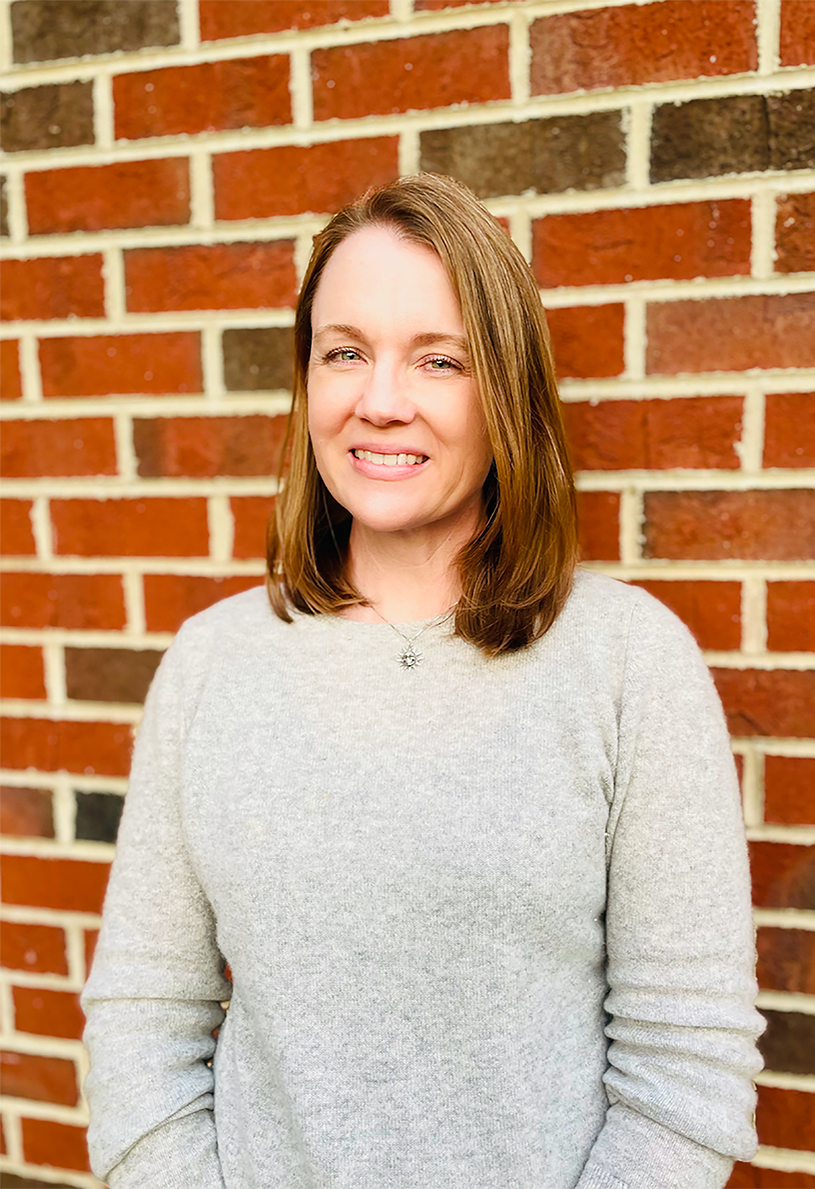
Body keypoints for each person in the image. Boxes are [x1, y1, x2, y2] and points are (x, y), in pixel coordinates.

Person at [82, 173, 764, 1189]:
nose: (380, 400)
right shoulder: (214, 663)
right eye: (344, 351)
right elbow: (143, 1010)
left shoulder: (626, 663)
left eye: (437, 360)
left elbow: (687, 1064)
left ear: (505, 395)